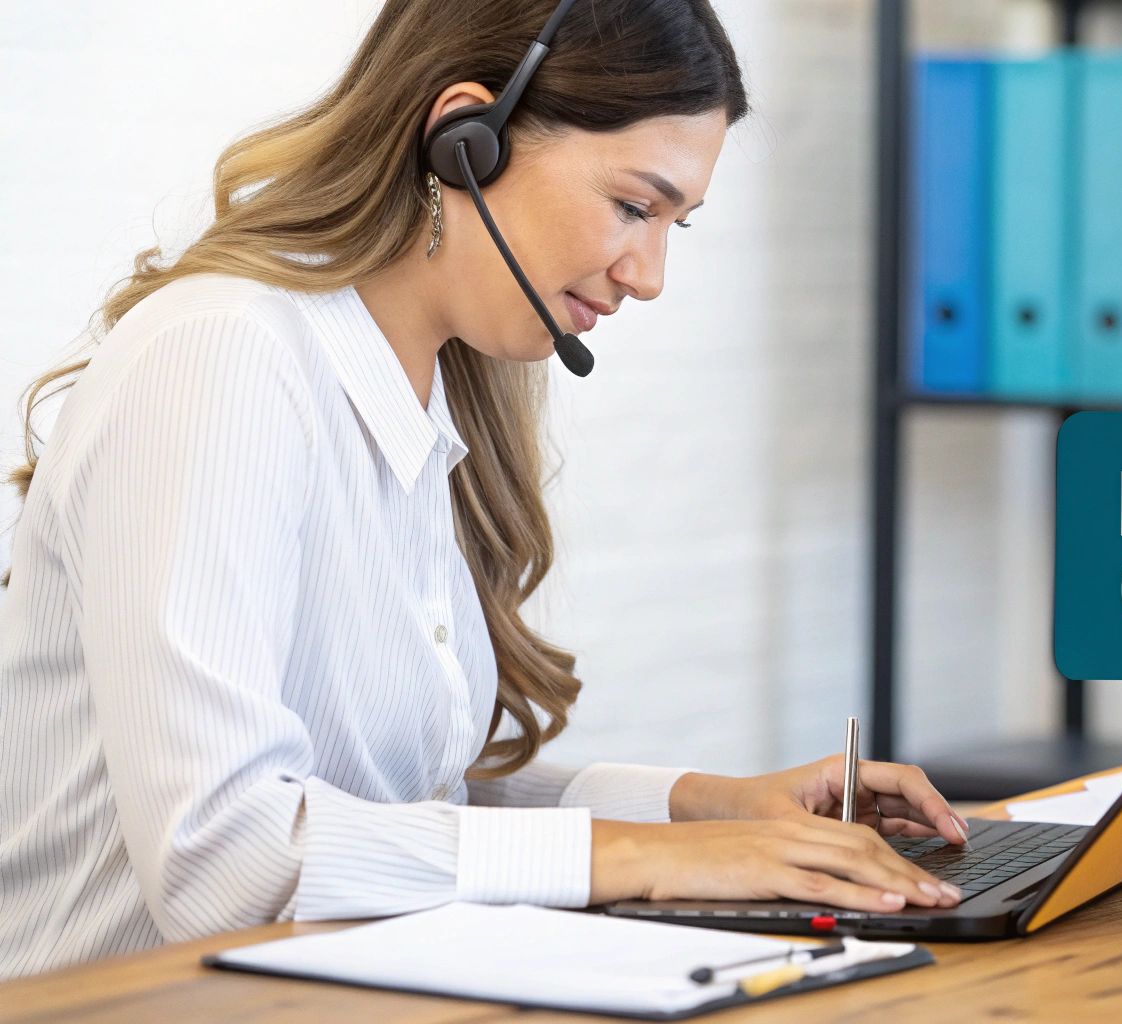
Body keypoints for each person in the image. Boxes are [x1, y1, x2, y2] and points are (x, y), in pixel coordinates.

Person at [0, 0, 966, 980]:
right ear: (464, 139)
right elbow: (226, 859)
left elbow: (405, 819)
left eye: (677, 223)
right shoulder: (226, 357)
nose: (650, 274)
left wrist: (701, 807)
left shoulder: (420, 389)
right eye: (635, 205)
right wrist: (653, 859)